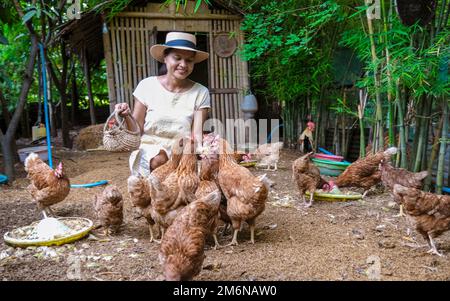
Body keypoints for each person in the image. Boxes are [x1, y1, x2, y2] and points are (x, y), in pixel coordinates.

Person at [114, 32, 210, 176]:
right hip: (149, 150)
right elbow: (137, 130)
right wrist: (127, 116)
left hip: (181, 152)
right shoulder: (147, 86)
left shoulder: (200, 92)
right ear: (165, 58)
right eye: (177, 58)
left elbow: (196, 134)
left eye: (189, 60)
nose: (183, 65)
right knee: (159, 159)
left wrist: (203, 151)